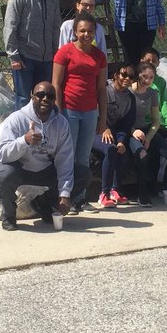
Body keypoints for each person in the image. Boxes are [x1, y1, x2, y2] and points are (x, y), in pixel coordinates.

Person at [0, 82, 76, 231]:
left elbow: (65, 160)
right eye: (40, 95)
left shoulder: (61, 123)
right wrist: (24, 140)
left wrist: (65, 194)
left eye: (50, 96)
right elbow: (2, 154)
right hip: (20, 169)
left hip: (45, 170)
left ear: (54, 100)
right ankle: (9, 217)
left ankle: (44, 205)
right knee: (5, 173)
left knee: (82, 173)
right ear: (32, 97)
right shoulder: (16, 119)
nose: (45, 99)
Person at [52, 11, 107, 212]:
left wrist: (103, 119)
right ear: (75, 31)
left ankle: (80, 198)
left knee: (83, 157)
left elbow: (102, 88)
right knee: (69, 155)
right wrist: (57, 111)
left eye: (90, 31)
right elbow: (56, 84)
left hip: (90, 111)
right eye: (82, 30)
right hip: (69, 110)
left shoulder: (99, 56)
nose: (86, 34)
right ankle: (65, 196)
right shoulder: (65, 52)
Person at [3, 0, 62, 108]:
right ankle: (21, 131)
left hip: (47, 57)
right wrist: (13, 55)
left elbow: (56, 25)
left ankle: (40, 129)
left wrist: (56, 50)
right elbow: (10, 26)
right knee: (23, 98)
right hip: (24, 57)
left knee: (43, 97)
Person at [130, 61, 167, 204]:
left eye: (151, 78)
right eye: (144, 76)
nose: (147, 80)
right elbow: (121, 120)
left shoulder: (152, 93)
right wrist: (133, 132)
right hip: (130, 130)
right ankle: (143, 193)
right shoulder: (128, 92)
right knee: (143, 155)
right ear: (138, 75)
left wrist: (149, 138)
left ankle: (166, 187)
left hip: (147, 130)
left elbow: (156, 121)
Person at [93, 62, 138, 208]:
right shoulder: (104, 90)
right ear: (115, 75)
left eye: (131, 76)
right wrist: (103, 127)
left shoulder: (130, 98)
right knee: (110, 150)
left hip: (113, 134)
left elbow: (125, 125)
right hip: (95, 131)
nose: (127, 79)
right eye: (124, 75)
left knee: (121, 150)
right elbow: (94, 113)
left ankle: (115, 190)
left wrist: (121, 141)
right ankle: (104, 193)